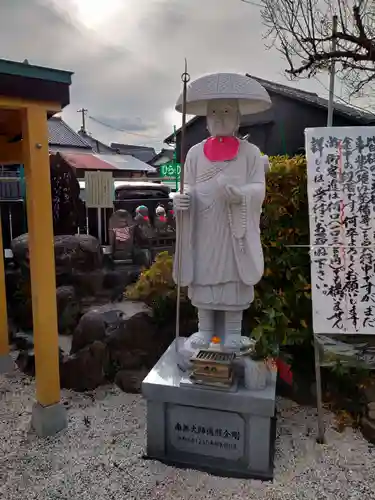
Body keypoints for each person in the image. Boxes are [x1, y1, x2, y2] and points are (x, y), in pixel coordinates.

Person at [172, 73, 272, 353]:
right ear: (205, 120)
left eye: (226, 111)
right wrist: (181, 199)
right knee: (204, 274)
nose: (219, 117)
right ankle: (204, 328)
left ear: (238, 118)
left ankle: (232, 332)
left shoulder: (250, 153)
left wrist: (241, 195)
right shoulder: (193, 153)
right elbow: (188, 186)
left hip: (234, 228)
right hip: (203, 227)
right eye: (213, 112)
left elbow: (258, 188)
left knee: (233, 278)